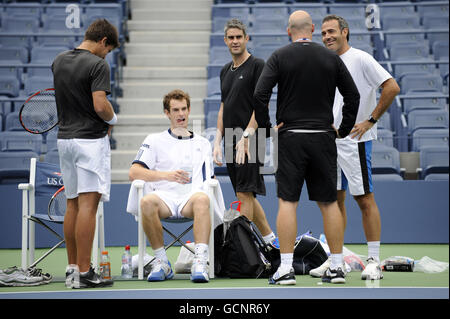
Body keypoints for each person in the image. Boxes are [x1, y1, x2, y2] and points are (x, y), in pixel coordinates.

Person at [253, 10, 360, 285]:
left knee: (288, 202)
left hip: (290, 138)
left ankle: (286, 269)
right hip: (323, 137)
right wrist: (344, 128)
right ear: (312, 29)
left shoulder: (279, 56)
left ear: (289, 31)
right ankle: (336, 267)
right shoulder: (330, 57)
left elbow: (259, 95)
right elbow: (353, 95)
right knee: (330, 203)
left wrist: (266, 129)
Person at [310, 14, 400, 280]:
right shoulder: (324, 62)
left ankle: (374, 260)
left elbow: (391, 87)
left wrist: (370, 120)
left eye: (332, 32)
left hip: (355, 141)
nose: (327, 37)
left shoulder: (361, 58)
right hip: (329, 142)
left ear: (345, 32)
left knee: (364, 199)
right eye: (324, 33)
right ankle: (336, 260)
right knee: (334, 201)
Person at [52, 19, 120, 288]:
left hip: (64, 140)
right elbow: (101, 105)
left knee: (72, 203)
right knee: (88, 206)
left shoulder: (58, 61)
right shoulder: (97, 64)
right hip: (89, 142)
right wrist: (113, 120)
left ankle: (71, 270)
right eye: (109, 50)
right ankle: (84, 272)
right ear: (103, 41)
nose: (107, 55)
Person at [129, 89, 214, 283]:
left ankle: (200, 261)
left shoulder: (202, 143)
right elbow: (134, 172)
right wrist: (167, 176)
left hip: (190, 198)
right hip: (164, 198)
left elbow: (209, 178)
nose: (181, 114)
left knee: (202, 198)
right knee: (146, 202)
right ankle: (162, 262)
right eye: (175, 110)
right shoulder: (154, 140)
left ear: (189, 110)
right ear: (167, 113)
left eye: (184, 109)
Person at [213, 18, 276, 246]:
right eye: (231, 37)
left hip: (251, 138)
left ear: (246, 38)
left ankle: (244, 246)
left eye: (239, 37)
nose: (235, 41)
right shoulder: (224, 71)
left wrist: (247, 136)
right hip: (230, 139)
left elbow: (262, 105)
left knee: (243, 194)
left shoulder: (258, 65)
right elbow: (223, 106)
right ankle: (270, 240)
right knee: (245, 193)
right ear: (225, 41)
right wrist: (217, 139)